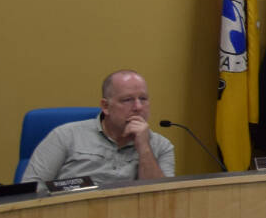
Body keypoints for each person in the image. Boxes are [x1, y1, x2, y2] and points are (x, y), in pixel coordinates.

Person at [24, 69, 175, 185]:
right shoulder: (65, 136)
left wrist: (143, 146)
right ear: (105, 106)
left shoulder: (161, 146)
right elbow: (31, 190)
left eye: (143, 99)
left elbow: (160, 199)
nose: (138, 107)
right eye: (127, 100)